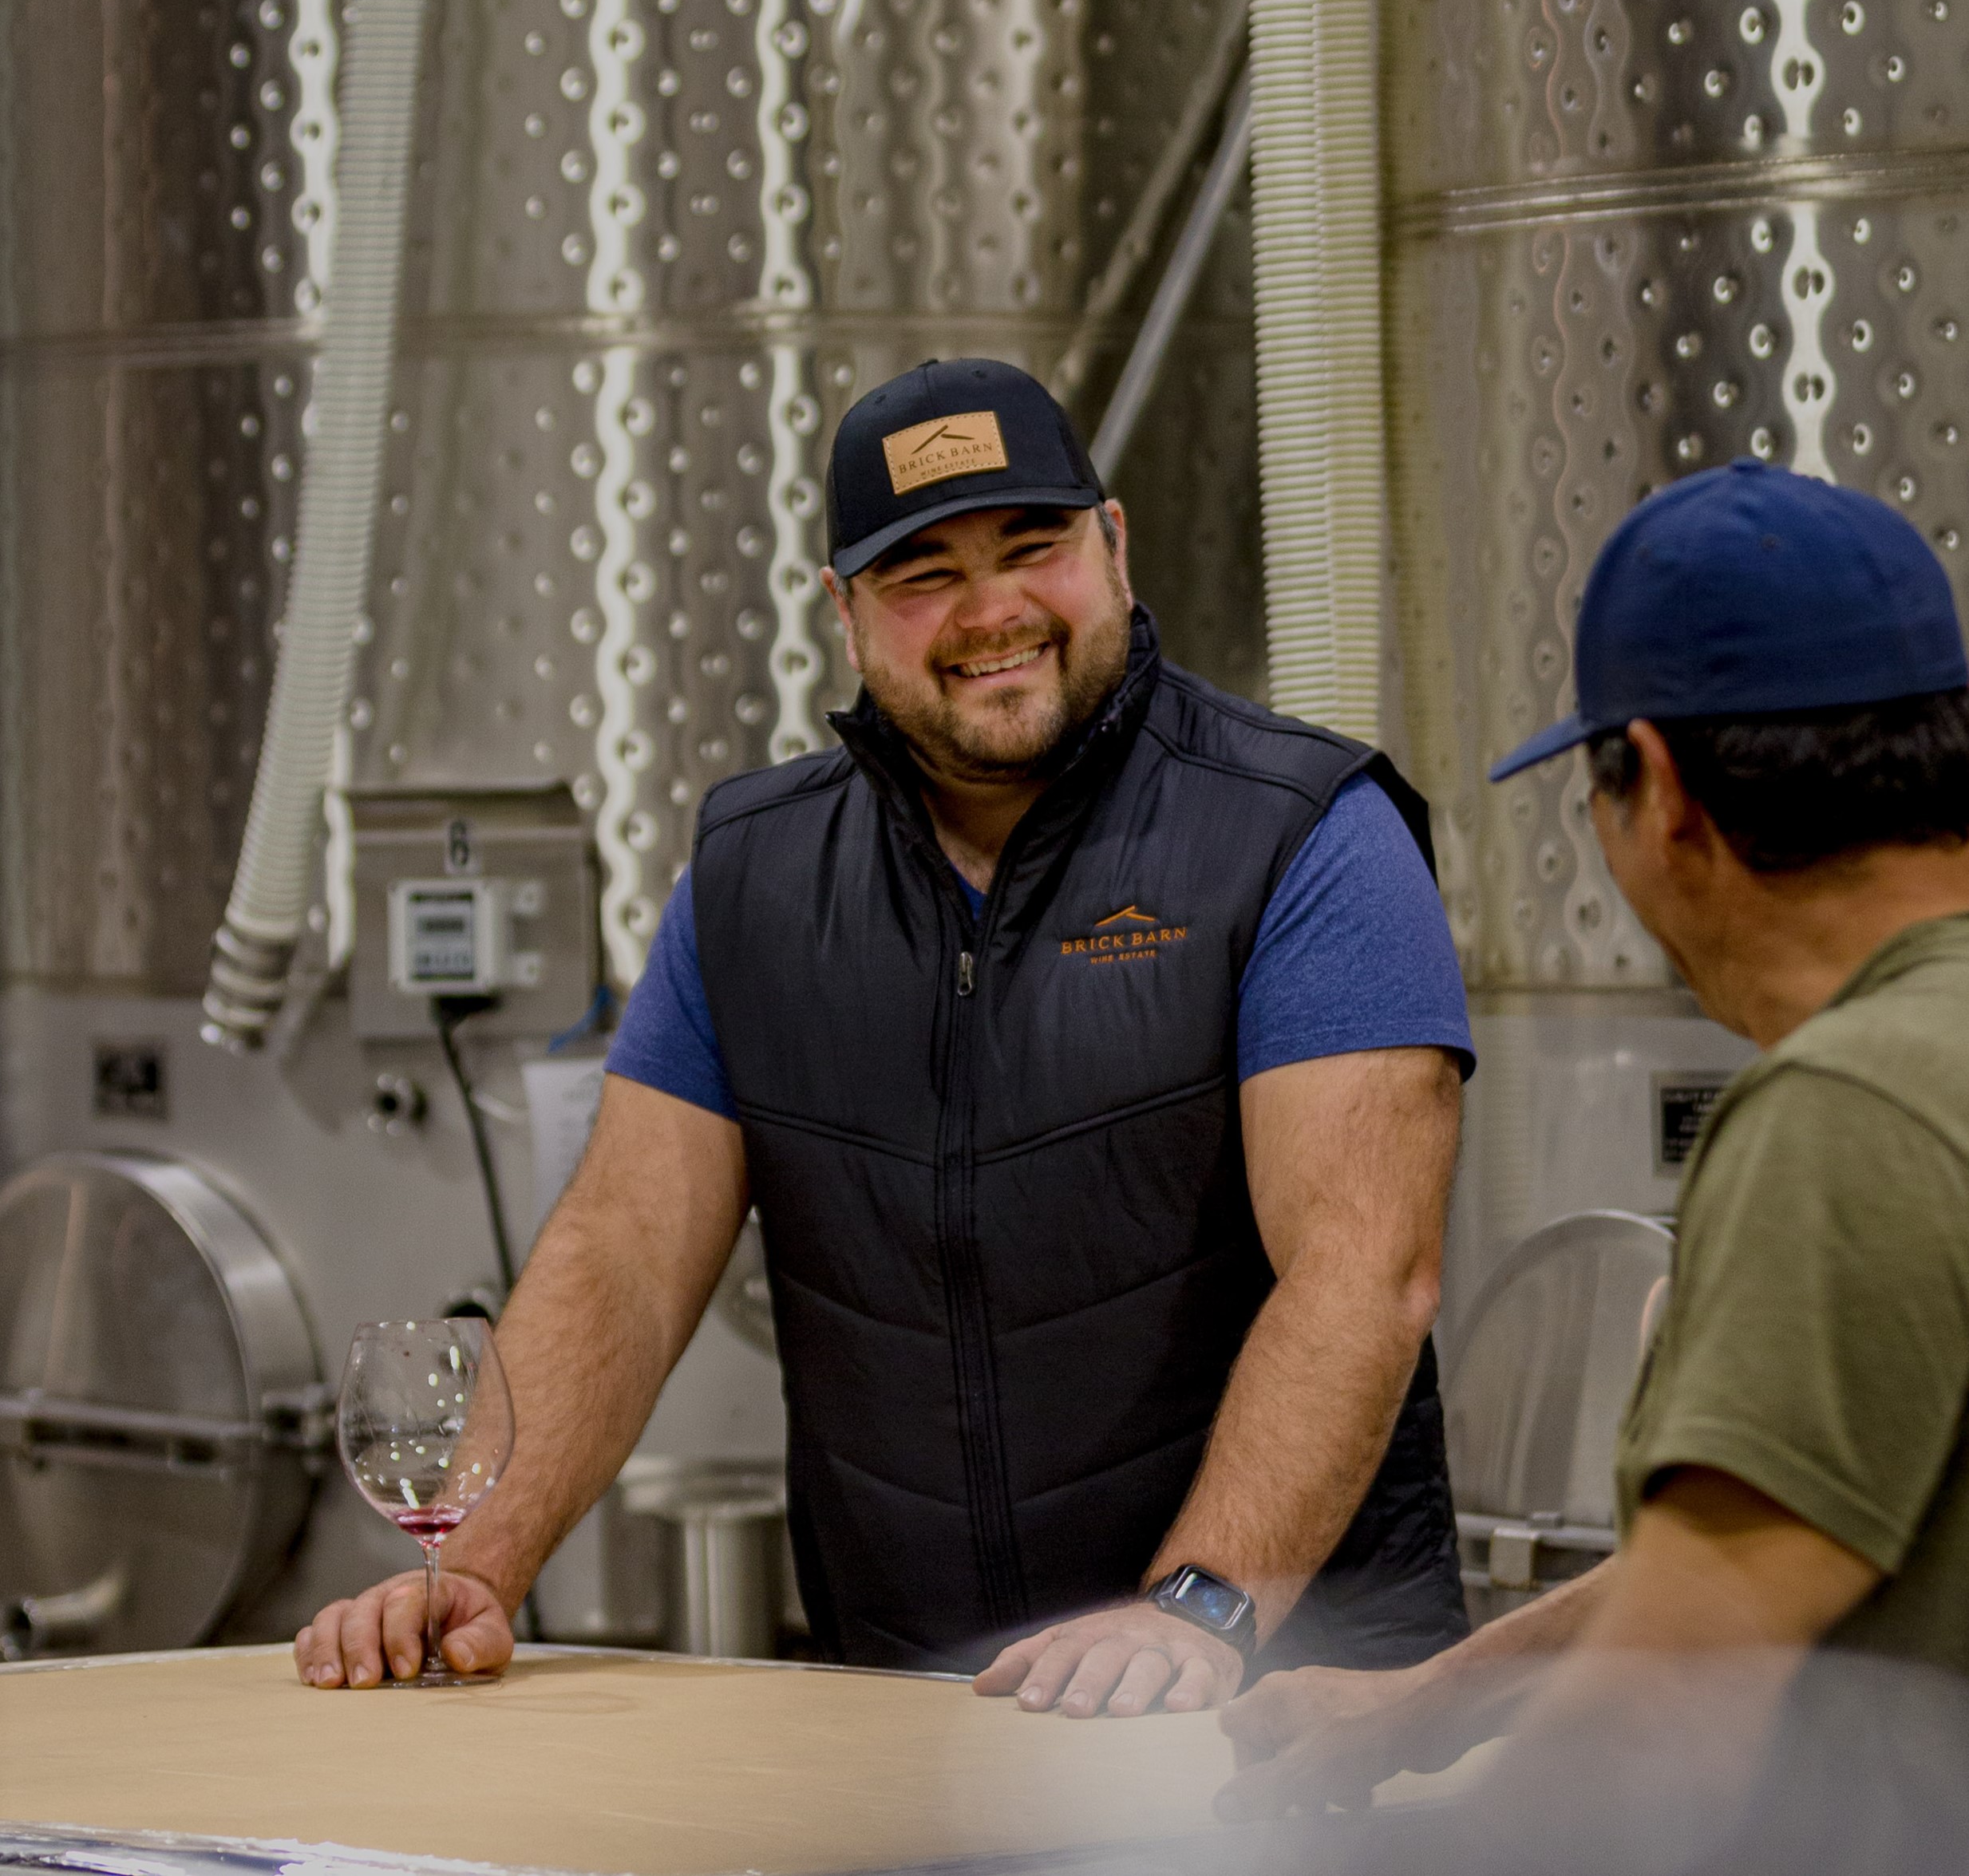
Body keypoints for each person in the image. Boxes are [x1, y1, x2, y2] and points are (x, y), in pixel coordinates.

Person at [295, 357, 1476, 1712]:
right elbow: (623, 1247)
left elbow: (1361, 1273)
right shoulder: (752, 877)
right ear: (846, 615)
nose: (994, 613)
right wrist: (477, 1567)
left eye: (1033, 547)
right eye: (924, 575)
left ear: (1115, 543)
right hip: (911, 1717)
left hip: (1286, 1716)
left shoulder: (1303, 833)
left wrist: (1197, 1610)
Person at [1218, 459, 1969, 1815]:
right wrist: (1422, 1704)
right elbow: (1782, 1547)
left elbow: (1662, 1726)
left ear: (1664, 792)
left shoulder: (1844, 1115)